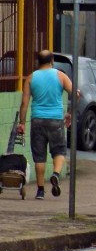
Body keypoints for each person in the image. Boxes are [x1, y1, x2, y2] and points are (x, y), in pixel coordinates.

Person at [17, 50, 73, 200]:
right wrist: (70, 113)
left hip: (37, 120)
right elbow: (76, 93)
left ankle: (40, 191)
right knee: (59, 151)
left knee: (39, 156)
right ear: (52, 60)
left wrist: (21, 123)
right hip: (55, 120)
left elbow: (24, 103)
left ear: (38, 62)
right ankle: (55, 174)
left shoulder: (30, 78)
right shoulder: (60, 76)